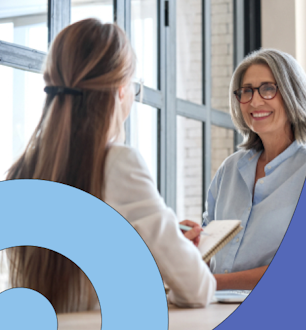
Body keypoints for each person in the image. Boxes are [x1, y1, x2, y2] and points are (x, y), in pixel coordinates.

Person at [5, 18, 215, 312]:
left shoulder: (19, 173)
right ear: (120, 90)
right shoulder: (119, 164)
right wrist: (170, 246)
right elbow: (197, 289)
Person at [202, 49, 306, 290]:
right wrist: (191, 244)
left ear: (291, 93)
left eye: (267, 88)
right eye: (246, 91)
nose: (254, 102)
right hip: (213, 309)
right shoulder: (229, 170)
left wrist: (210, 283)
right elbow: (206, 252)